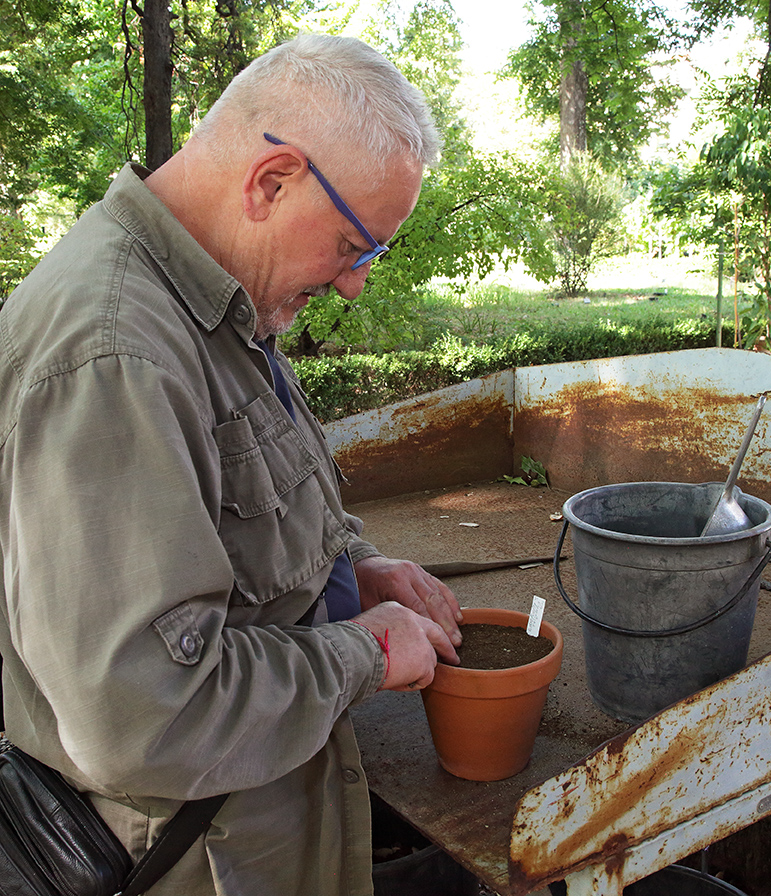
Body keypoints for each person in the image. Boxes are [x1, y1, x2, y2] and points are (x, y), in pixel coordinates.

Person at [0, 33, 463, 896]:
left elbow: (251, 511)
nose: (356, 283)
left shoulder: (216, 296)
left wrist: (353, 574)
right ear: (273, 181)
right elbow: (141, 717)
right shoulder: (116, 357)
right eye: (355, 243)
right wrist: (360, 654)